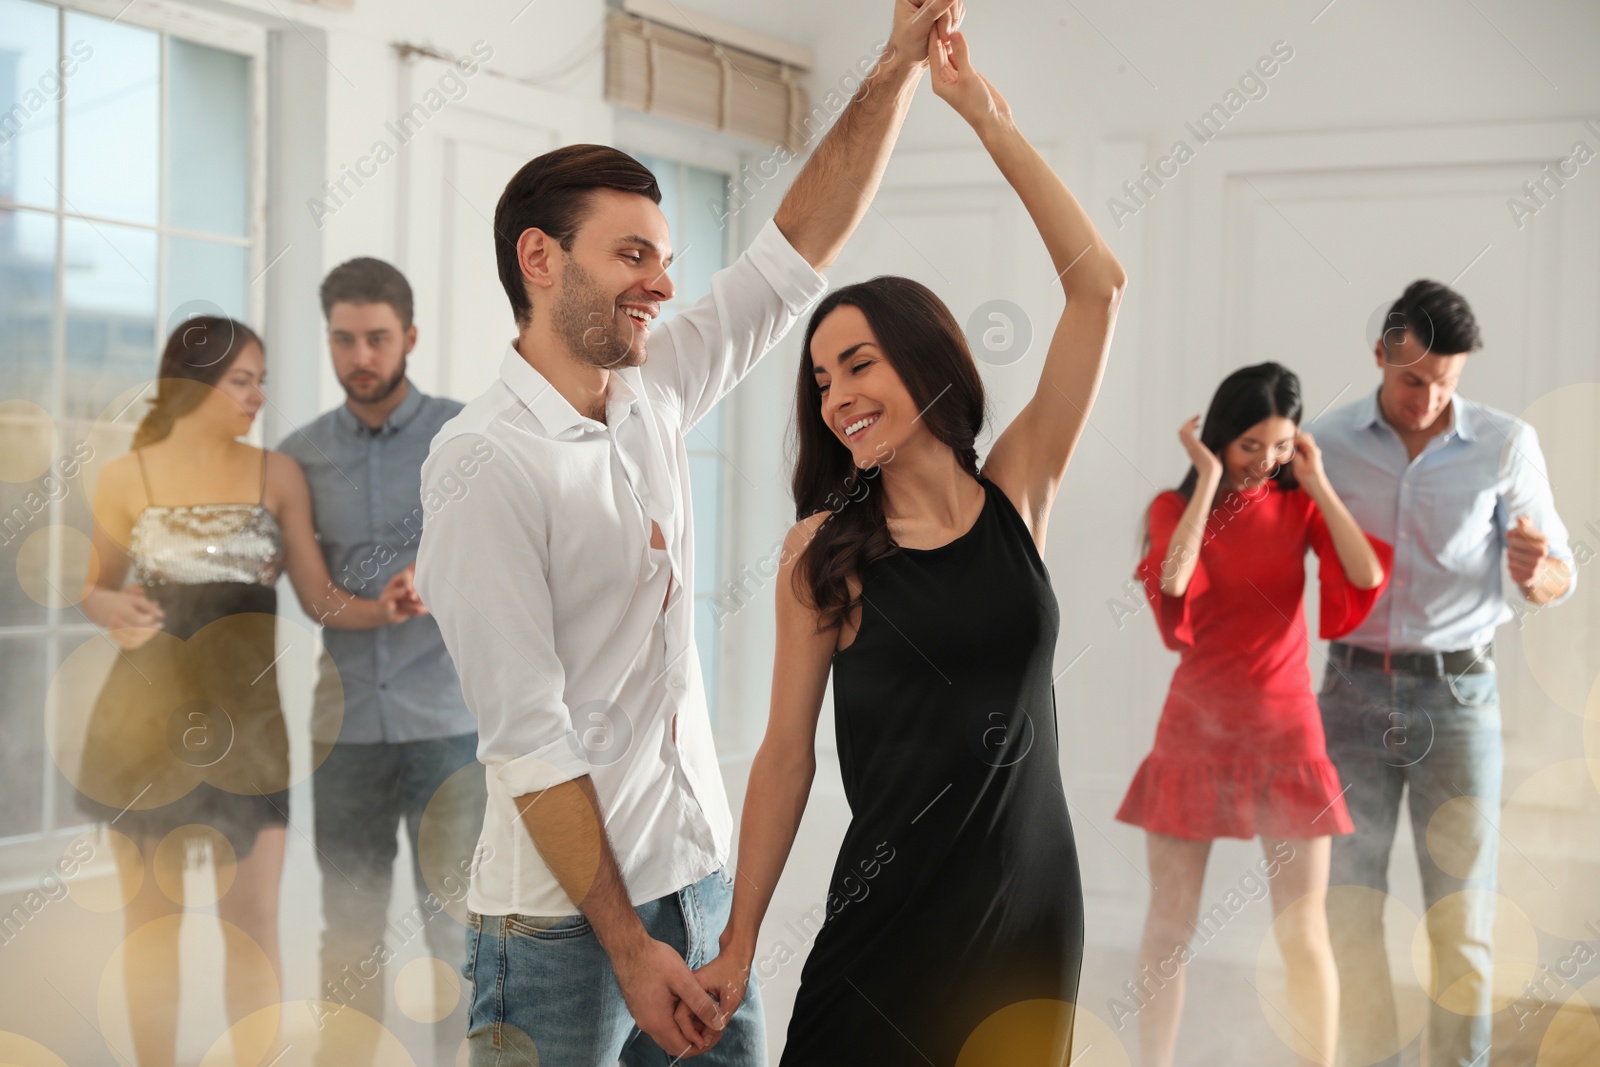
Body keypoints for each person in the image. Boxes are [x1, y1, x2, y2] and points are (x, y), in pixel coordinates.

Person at [414, 2, 970, 1060]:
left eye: (665, 257)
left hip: (698, 880)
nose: (663, 283)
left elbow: (793, 251)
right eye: (633, 254)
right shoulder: (481, 463)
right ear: (540, 258)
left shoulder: (653, 388)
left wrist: (896, 65)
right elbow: (530, 738)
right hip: (558, 929)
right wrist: (627, 947)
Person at [690, 30, 1127, 1065]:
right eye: (821, 381)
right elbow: (785, 756)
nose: (837, 395)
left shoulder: (1018, 488)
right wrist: (740, 937)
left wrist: (982, 116)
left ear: (925, 360)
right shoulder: (822, 554)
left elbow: (1097, 287)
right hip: (886, 920)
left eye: (857, 363)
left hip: (1028, 910)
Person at [74, 317, 421, 1066]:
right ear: (191, 383)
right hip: (141, 733)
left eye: (261, 379)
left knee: (253, 926)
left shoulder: (277, 474)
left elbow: (319, 594)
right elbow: (92, 587)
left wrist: (382, 606)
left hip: (251, 732)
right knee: (152, 930)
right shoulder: (125, 476)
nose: (258, 395)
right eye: (242, 380)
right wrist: (107, 606)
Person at [1314, 280, 1576, 1067]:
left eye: (1447, 383)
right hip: (1349, 694)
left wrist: (1538, 574)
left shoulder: (1505, 443)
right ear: (1381, 357)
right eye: (1413, 380)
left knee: (1460, 917)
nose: (1429, 400)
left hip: (1459, 699)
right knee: (1348, 907)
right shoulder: (1325, 443)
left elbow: (1561, 572)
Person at [1114, 363, 1392, 1067]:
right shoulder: (1172, 508)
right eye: (1248, 446)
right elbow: (1174, 579)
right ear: (1217, 439)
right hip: (1195, 732)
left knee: (1302, 932)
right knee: (1169, 929)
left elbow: (1363, 576)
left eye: (1278, 446)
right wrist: (1208, 478)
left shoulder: (1297, 503)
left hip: (1286, 730)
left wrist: (1318, 480)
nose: (1263, 462)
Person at [276, 259, 486, 1066]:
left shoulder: (465, 434)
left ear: (410, 338)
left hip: (446, 722)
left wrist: (437, 579)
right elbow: (313, 594)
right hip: (347, 730)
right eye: (343, 338)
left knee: (453, 924)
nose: (360, 355)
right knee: (351, 930)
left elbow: (509, 559)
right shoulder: (298, 457)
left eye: (376, 338)